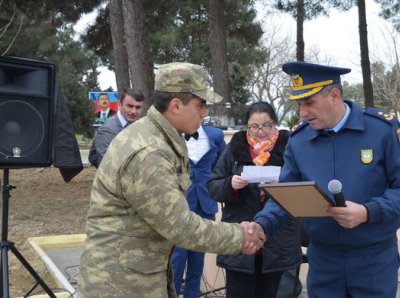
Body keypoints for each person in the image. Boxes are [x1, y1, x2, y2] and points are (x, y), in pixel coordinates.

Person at [77, 62, 266, 298]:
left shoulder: (157, 137)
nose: (204, 113)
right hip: (120, 286)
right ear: (176, 105)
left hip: (134, 277)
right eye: (201, 105)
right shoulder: (149, 153)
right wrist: (240, 235)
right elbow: (179, 226)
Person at [252, 61, 400, 298]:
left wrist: (367, 211)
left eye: (309, 102)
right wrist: (261, 224)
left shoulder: (381, 130)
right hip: (324, 261)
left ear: (334, 95)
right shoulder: (300, 140)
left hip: (372, 260)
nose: (302, 112)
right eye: (299, 103)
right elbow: (286, 195)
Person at [208, 101, 303, 298]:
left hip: (278, 239)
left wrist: (284, 185)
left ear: (275, 123)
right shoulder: (235, 148)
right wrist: (229, 184)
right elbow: (213, 185)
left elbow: (304, 184)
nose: (260, 131)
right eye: (254, 126)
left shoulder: (290, 147)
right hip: (240, 238)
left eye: (266, 125)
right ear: (247, 126)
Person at [171, 125, 226, 297]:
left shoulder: (215, 135)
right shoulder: (172, 133)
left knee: (197, 258)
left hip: (205, 203)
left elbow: (222, 166)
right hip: (180, 203)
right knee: (177, 258)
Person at [88, 89, 145, 168]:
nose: (134, 111)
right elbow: (107, 165)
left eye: (138, 107)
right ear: (119, 105)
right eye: (130, 106)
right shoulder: (107, 130)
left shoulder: (143, 127)